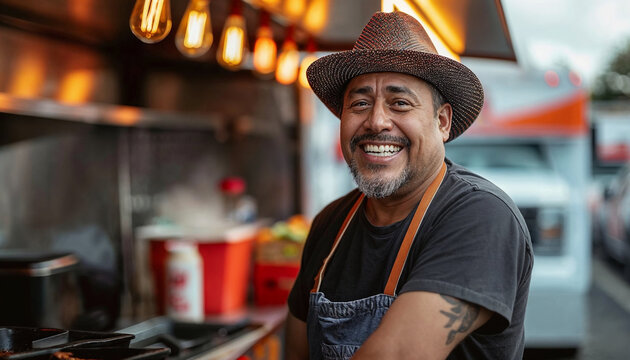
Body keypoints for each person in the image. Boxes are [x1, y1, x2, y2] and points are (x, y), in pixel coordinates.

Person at [285, 10, 533, 360]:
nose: (376, 121)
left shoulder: (481, 216)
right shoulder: (330, 223)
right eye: (359, 103)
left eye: (399, 103)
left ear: (442, 121)